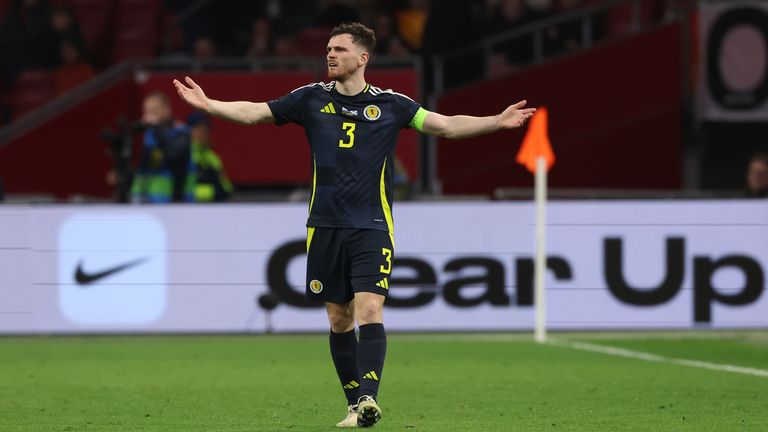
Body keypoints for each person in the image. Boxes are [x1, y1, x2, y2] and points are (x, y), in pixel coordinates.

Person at [173, 22, 534, 428]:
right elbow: (256, 112)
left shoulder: (393, 105)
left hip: (371, 224)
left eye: (340, 49)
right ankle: (352, 406)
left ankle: (368, 398)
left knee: (369, 307)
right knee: (339, 319)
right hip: (324, 225)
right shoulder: (310, 99)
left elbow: (445, 125)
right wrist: (210, 105)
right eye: (328, 48)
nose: (330, 55)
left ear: (363, 58)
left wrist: (495, 122)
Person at [131, 91, 196, 203]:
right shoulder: (149, 134)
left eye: (153, 111)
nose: (148, 117)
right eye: (146, 112)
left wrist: (157, 128)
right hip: (144, 200)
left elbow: (174, 153)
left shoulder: (181, 131)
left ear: (167, 109)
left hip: (176, 201)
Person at [186, 111, 233, 202]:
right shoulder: (183, 154)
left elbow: (226, 188)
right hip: (185, 208)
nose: (202, 133)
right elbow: (182, 190)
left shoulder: (213, 158)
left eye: (205, 129)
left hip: (210, 209)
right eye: (197, 129)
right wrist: (213, 192)